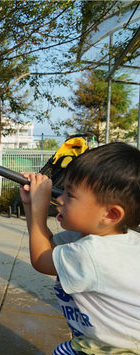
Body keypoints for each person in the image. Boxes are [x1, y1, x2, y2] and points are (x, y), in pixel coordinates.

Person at [19, 142, 140, 355]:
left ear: (111, 214)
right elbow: (48, 245)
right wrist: (31, 206)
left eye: (70, 195)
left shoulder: (94, 254)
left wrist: (40, 207)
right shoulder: (101, 238)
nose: (59, 199)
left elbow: (41, 259)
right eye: (63, 190)